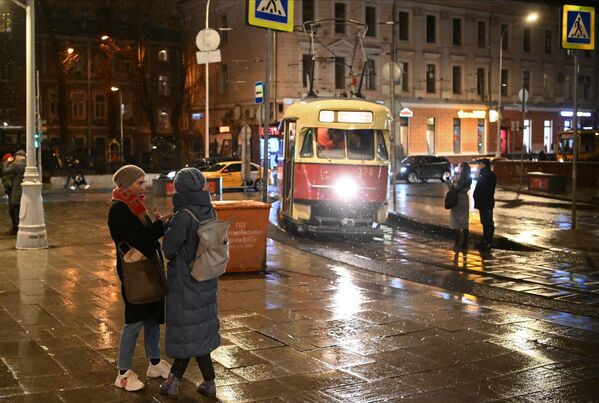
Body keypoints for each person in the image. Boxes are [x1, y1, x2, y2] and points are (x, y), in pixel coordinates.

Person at [107, 165, 172, 392]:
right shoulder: (119, 209)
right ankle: (123, 373)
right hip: (134, 271)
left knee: (152, 317)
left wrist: (156, 224)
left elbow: (145, 235)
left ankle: (154, 363)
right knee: (134, 320)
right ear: (125, 184)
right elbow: (139, 239)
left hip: (147, 267)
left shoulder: (134, 204)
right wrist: (159, 226)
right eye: (139, 183)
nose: (143, 186)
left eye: (143, 182)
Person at [160, 168, 220, 399]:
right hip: (206, 276)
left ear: (180, 188)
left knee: (187, 330)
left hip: (185, 280)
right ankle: (209, 382)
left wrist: (168, 228)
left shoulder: (184, 215)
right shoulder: (209, 209)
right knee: (199, 330)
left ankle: (173, 382)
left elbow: (169, 249)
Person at [473, 158, 497, 251]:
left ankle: (487, 242)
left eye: (480, 164)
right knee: (486, 222)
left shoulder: (486, 175)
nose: (478, 165)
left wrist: (478, 195)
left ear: (484, 165)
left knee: (487, 223)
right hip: (486, 202)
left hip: (485, 202)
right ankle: (485, 241)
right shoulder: (487, 174)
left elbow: (482, 188)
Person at [448, 162, 472, 252]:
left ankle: (457, 244)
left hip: (457, 200)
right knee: (464, 220)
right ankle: (465, 243)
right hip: (464, 200)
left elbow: (454, 188)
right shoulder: (468, 177)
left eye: (459, 166)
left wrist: (448, 181)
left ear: (461, 168)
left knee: (456, 222)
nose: (457, 167)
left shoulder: (459, 177)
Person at [4, 150, 26, 236]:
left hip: (16, 191)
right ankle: (19, 228)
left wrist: (6, 162)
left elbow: (5, 171)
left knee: (14, 210)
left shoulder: (16, 165)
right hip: (24, 191)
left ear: (18, 156)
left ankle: (17, 229)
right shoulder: (27, 164)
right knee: (21, 210)